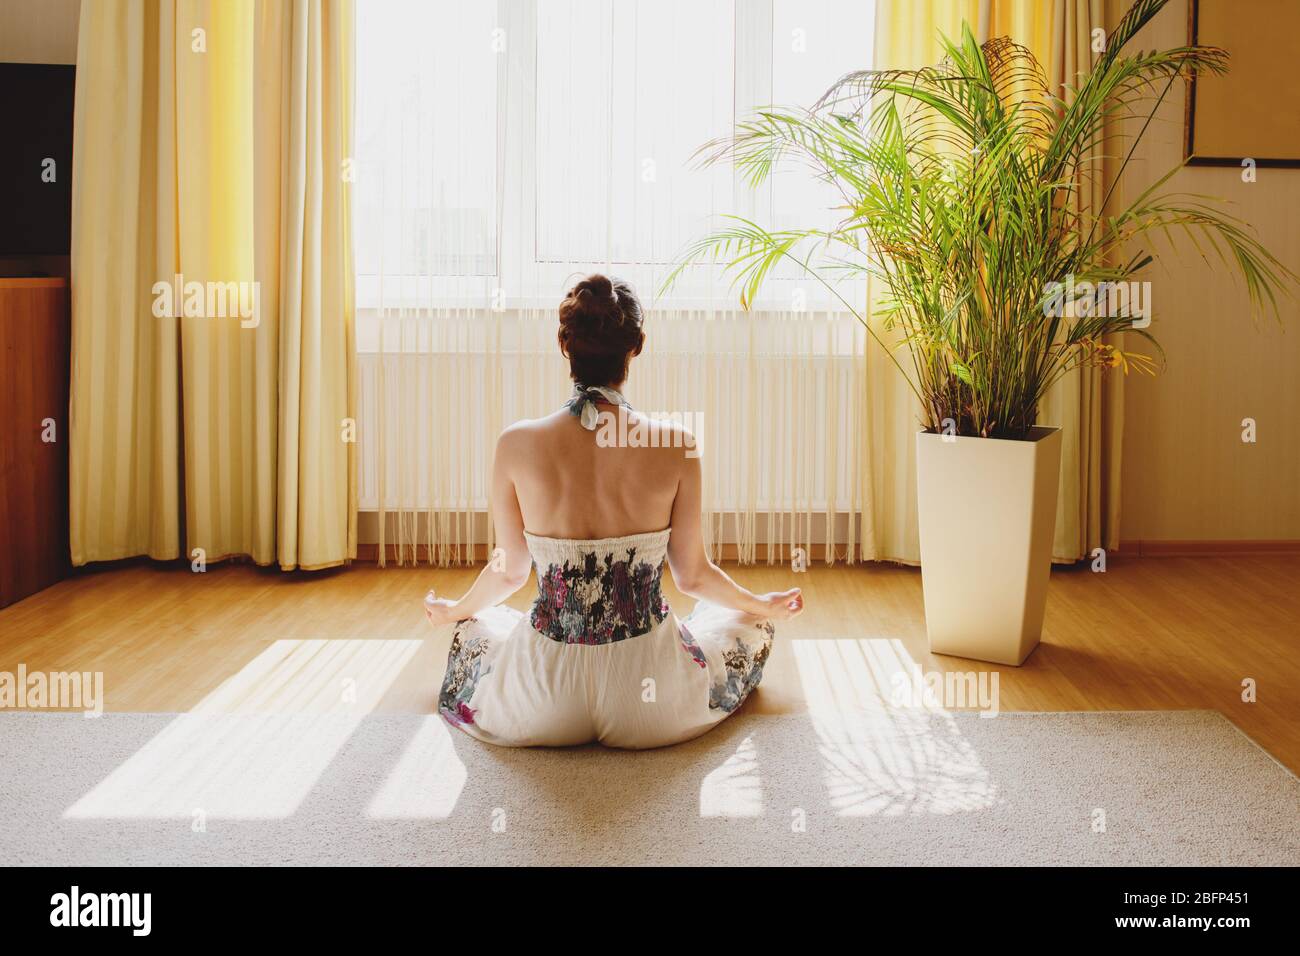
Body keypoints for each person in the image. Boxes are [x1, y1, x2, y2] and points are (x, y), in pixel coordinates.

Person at [425, 274, 803, 748]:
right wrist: (761, 604)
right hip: (650, 703)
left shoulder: (516, 444)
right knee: (749, 624)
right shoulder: (676, 445)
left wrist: (453, 611)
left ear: (565, 345)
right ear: (637, 346)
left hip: (544, 701)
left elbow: (508, 573)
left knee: (475, 628)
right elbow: (693, 577)